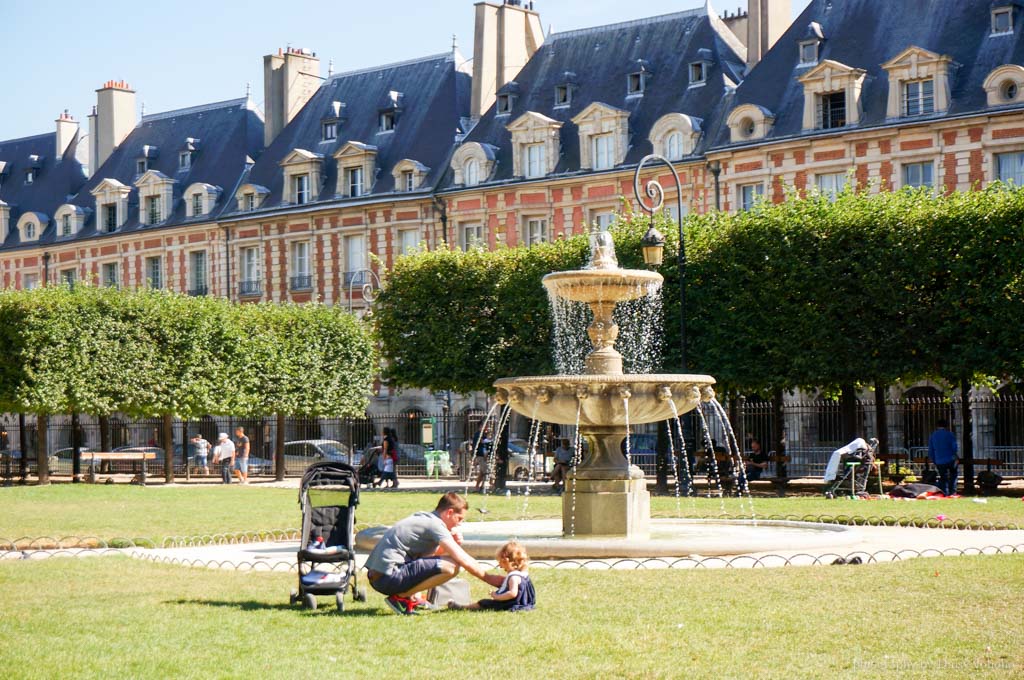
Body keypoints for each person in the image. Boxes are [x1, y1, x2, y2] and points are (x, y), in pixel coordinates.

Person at [365, 492, 504, 615]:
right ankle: (401, 598)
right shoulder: (436, 525)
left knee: (444, 562)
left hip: (380, 578)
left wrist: (451, 543)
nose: (460, 524)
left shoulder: (424, 518)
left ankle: (412, 599)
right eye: (459, 518)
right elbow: (462, 558)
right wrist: (489, 578)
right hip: (389, 578)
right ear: (449, 513)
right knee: (452, 565)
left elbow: (426, 559)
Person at [448, 540, 535, 612]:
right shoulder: (523, 575)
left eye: (500, 562)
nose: (500, 566)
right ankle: (468, 605)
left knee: (484, 603)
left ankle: (463, 607)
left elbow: (512, 593)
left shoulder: (513, 577)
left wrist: (497, 597)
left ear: (506, 561)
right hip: (523, 603)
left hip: (509, 604)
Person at [928, 418, 959, 496]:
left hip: (939, 460)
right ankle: (953, 491)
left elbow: (931, 449)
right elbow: (954, 447)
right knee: (953, 475)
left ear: (937, 426)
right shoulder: (950, 434)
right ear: (946, 426)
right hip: (950, 459)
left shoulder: (933, 435)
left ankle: (945, 492)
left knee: (943, 477)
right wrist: (955, 455)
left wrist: (934, 460)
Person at [473, 426, 492, 493]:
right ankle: (492, 486)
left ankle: (478, 487)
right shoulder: (479, 435)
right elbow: (481, 443)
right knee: (487, 471)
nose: (486, 428)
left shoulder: (481, 434)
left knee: (482, 473)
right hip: (481, 456)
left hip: (482, 456)